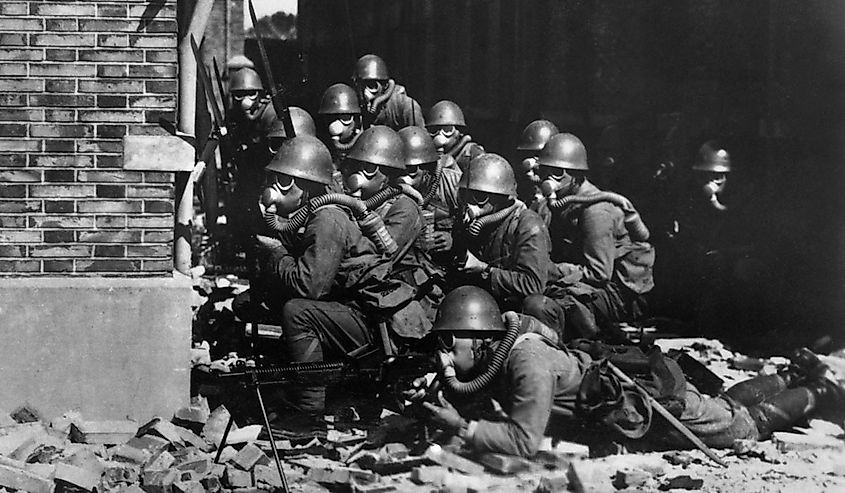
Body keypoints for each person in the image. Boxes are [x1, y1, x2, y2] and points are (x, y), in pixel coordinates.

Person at [420, 286, 845, 457]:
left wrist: (464, 428)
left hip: (653, 407)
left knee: (745, 426)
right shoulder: (508, 348)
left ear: (477, 337)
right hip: (634, 395)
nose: (444, 355)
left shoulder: (525, 361)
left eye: (446, 344)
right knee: (727, 405)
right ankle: (790, 375)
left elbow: (523, 440)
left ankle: (822, 390)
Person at [238, 135, 383, 415]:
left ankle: (308, 411)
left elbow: (309, 289)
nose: (270, 190)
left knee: (297, 312)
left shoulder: (327, 219)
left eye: (278, 181)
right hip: (350, 312)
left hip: (369, 321)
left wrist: (277, 252)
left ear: (295, 185)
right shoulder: (310, 215)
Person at [522, 133, 655, 341]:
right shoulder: (564, 201)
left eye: (557, 173)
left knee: (548, 303)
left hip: (617, 294)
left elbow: (598, 273)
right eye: (546, 170)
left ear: (575, 174)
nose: (548, 179)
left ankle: (585, 343)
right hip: (590, 281)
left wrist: (549, 270)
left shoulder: (596, 211)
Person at [449, 153, 551, 312]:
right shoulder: (468, 222)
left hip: (513, 310)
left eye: (479, 196)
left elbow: (533, 285)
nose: (469, 203)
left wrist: (485, 270)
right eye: (465, 194)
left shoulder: (527, 224)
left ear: (500, 197)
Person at [343, 125, 424, 253]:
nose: (357, 173)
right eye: (356, 164)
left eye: (369, 168)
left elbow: (386, 257)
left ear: (388, 174)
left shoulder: (404, 207)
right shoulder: (346, 198)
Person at [352, 54, 424, 130]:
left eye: (372, 85)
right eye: (361, 86)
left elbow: (419, 138)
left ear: (385, 85)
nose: (365, 93)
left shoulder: (404, 106)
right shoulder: (355, 105)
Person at [425, 100, 485, 172]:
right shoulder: (429, 155)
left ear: (459, 132)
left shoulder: (472, 153)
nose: (439, 135)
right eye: (433, 130)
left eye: (447, 130)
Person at [317, 83, 363, 165]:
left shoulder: (366, 145)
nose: (334, 126)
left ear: (356, 120)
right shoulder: (320, 150)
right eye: (330, 118)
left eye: (345, 118)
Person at [514, 119, 559, 204]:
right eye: (530, 154)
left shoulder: (565, 190)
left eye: (540, 154)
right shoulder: (520, 188)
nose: (534, 162)